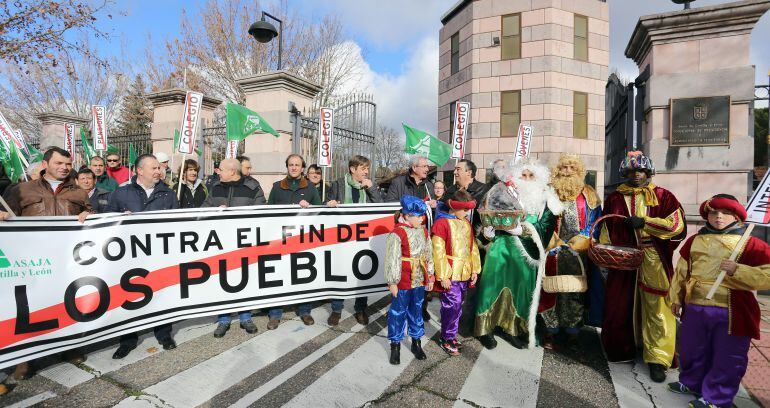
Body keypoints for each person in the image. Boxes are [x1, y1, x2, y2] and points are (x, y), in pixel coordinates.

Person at [667, 195, 770, 408]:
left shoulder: (751, 243)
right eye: (714, 212)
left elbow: (767, 275)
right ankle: (692, 382)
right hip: (695, 305)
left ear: (737, 216)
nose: (719, 217)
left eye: (725, 212)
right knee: (691, 349)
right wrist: (675, 297)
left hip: (732, 311)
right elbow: (682, 271)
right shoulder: (695, 240)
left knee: (727, 356)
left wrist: (738, 271)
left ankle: (717, 397)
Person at [0, 147, 92, 380]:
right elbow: (6, 214)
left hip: (67, 262)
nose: (64, 168)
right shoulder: (21, 190)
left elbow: (94, 218)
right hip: (31, 261)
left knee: (67, 305)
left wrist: (89, 215)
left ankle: (69, 347)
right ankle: (24, 360)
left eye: (68, 164)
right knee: (26, 309)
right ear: (45, 164)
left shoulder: (80, 193)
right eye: (59, 163)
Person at [600, 151, 686, 382]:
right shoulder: (615, 198)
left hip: (653, 258)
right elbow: (606, 228)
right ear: (624, 173)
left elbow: (676, 226)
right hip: (623, 259)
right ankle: (622, 347)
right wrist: (607, 253)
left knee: (657, 307)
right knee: (621, 303)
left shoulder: (663, 196)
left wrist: (646, 222)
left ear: (648, 172)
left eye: (640, 171)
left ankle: (657, 358)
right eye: (631, 171)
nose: (636, 175)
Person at [474, 157, 562, 350]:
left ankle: (513, 329)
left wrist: (523, 230)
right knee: (491, 286)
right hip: (500, 247)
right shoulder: (504, 193)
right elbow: (487, 216)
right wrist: (486, 232)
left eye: (531, 175)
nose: (527, 178)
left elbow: (547, 225)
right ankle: (485, 329)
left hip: (525, 253)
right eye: (524, 174)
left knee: (521, 291)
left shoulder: (546, 198)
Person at [106, 154, 179, 359]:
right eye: (154, 168)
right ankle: (128, 340)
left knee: (162, 295)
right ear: (139, 170)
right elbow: (107, 221)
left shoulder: (168, 194)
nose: (159, 171)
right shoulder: (121, 193)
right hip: (129, 258)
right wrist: (119, 219)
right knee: (128, 298)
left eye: (159, 168)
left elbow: (178, 223)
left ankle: (164, 335)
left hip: (159, 256)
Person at [539, 154, 603, 351]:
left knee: (575, 293)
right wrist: (553, 242)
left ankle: (573, 333)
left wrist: (580, 241)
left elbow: (595, 223)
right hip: (553, 251)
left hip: (578, 253)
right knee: (551, 291)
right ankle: (550, 331)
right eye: (564, 168)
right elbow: (541, 219)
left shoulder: (589, 193)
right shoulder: (549, 192)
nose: (567, 171)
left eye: (571, 168)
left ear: (579, 171)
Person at [203, 158, 266, 337]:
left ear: (231, 171)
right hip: (220, 244)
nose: (218, 172)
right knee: (222, 280)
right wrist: (215, 211)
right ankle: (223, 319)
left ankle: (246, 317)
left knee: (245, 279)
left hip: (244, 244)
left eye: (221, 169)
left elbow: (261, 213)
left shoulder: (253, 188)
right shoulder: (215, 187)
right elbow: (203, 210)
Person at [325, 155, 383, 326]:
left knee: (361, 273)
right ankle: (337, 309)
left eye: (367, 168)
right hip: (342, 238)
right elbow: (325, 203)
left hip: (362, 238)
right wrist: (329, 203)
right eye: (363, 168)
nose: (366, 172)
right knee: (341, 272)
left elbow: (380, 206)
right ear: (353, 169)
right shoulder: (337, 184)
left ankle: (361, 309)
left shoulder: (369, 186)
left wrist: (372, 189)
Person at [266, 154, 321, 329]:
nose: (294, 168)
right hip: (281, 241)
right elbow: (267, 214)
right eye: (291, 164)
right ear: (287, 167)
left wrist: (310, 208)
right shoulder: (277, 187)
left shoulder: (311, 188)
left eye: (297, 165)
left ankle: (305, 311)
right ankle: (275, 314)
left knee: (303, 276)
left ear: (303, 168)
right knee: (278, 276)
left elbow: (320, 214)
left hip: (303, 241)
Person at [385, 195, 434, 365]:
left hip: (419, 279)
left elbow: (428, 254)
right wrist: (392, 282)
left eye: (422, 216)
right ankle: (395, 344)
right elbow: (392, 258)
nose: (422, 219)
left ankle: (416, 342)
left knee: (417, 310)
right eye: (418, 216)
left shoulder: (424, 231)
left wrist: (430, 274)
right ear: (406, 215)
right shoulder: (397, 233)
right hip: (403, 280)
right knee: (398, 312)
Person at [431, 190, 480, 356]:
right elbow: (437, 251)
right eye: (465, 210)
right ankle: (446, 338)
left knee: (458, 306)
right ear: (455, 207)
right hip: (451, 273)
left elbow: (472, 247)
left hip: (464, 272)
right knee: (451, 305)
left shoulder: (466, 223)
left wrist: (475, 268)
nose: (467, 213)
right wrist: (443, 275)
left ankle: (451, 335)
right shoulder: (442, 223)